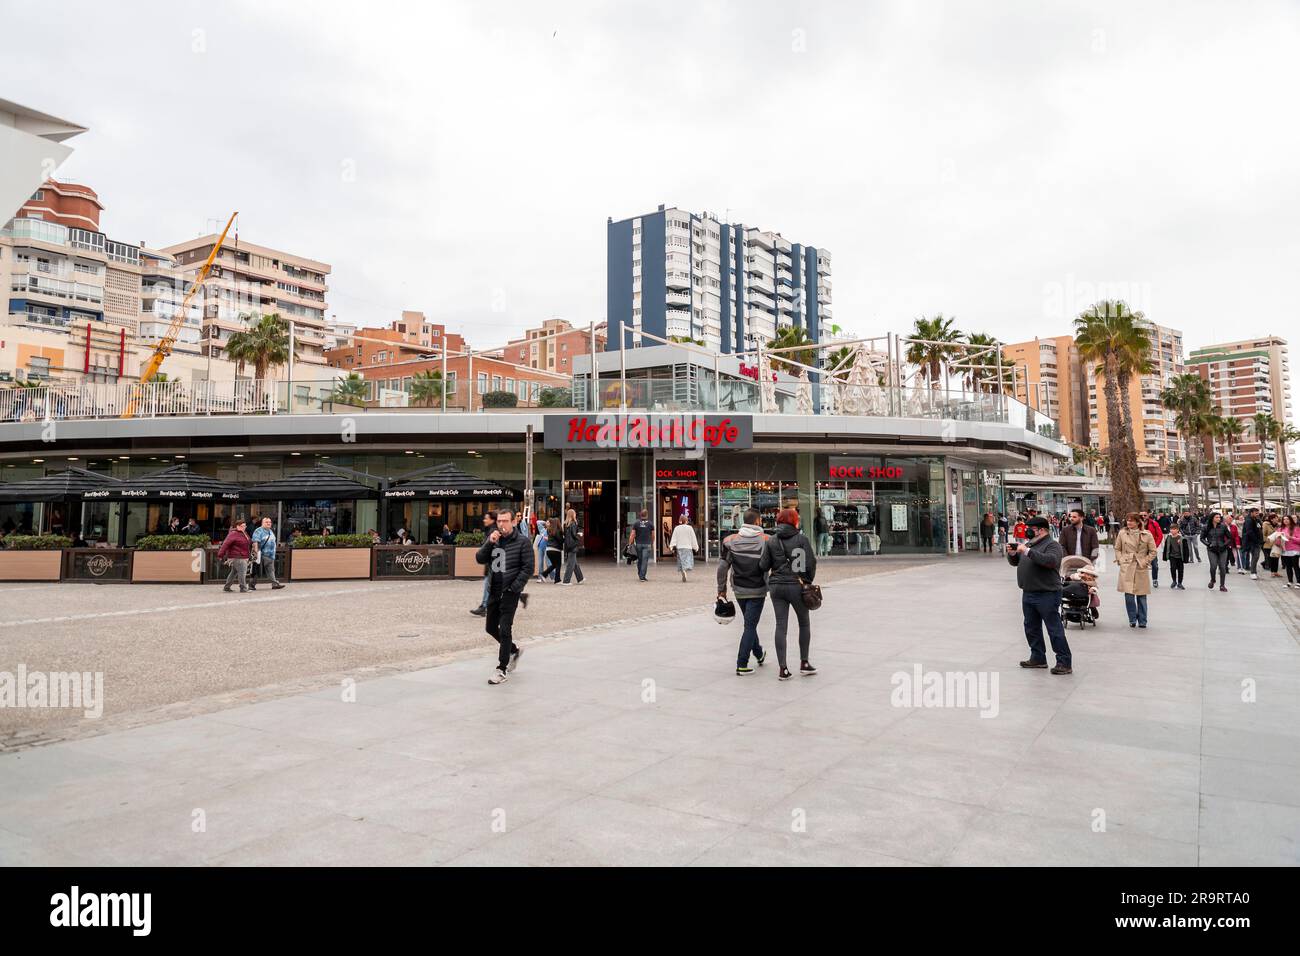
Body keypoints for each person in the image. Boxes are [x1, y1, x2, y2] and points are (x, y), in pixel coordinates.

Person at [475, 509, 534, 684]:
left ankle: (501, 668)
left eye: (505, 521)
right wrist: (488, 542)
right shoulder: (494, 540)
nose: (501, 524)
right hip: (494, 590)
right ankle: (514, 650)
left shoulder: (523, 542)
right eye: (499, 521)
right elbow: (479, 558)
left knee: (505, 628)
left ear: (513, 522)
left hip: (510, 592)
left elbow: (528, 568)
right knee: (491, 628)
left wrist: (515, 588)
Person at [1007, 515, 1071, 675]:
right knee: (1031, 627)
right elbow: (1017, 562)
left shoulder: (1052, 545)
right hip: (1028, 592)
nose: (1027, 531)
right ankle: (1038, 657)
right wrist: (1013, 554)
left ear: (1041, 530)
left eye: (1031, 529)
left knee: (1053, 628)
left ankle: (1064, 662)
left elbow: (1051, 561)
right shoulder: (1029, 544)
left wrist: (1027, 551)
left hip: (1047, 593)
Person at [760, 507, 818, 680]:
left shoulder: (771, 540)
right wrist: (807, 581)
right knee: (804, 624)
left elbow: (763, 566)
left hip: (777, 586)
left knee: (781, 626)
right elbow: (811, 563)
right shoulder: (802, 539)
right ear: (795, 521)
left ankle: (783, 669)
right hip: (797, 586)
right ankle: (804, 663)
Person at [716, 507, 769, 676]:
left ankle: (759, 654)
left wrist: (721, 590)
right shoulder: (767, 540)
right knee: (750, 625)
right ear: (757, 521)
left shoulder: (729, 541)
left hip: (739, 589)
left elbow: (722, 568)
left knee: (749, 623)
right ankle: (742, 663)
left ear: (742, 521)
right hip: (758, 589)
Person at [1115, 512, 1156, 627]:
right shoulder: (1122, 533)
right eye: (1127, 520)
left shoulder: (1147, 535)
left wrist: (1145, 561)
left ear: (1138, 522)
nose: (1129, 522)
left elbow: (1153, 551)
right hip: (1127, 566)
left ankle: (1143, 620)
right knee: (1128, 596)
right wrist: (1121, 560)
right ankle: (1132, 619)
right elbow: (1117, 548)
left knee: (1141, 596)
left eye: (1132, 520)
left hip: (1140, 566)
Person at [470, 511, 497, 616]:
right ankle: (485, 606)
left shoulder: (493, 531)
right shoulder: (490, 530)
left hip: (493, 564)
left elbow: (488, 548)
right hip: (491, 563)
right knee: (491, 585)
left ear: (492, 520)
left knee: (489, 585)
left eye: (486, 518)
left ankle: (484, 606)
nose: (484, 520)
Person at [217, 517, 252, 594]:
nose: (244, 527)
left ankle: (227, 587)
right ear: (237, 526)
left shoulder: (243, 533)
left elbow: (248, 543)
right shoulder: (233, 534)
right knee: (242, 572)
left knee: (234, 572)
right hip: (238, 556)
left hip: (242, 555)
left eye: (245, 526)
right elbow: (225, 544)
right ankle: (243, 588)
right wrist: (220, 555)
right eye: (242, 526)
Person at [249, 516, 285, 591]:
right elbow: (255, 542)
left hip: (270, 555)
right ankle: (251, 585)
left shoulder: (270, 531)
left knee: (271, 570)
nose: (269, 523)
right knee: (256, 570)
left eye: (269, 522)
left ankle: (275, 584)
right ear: (262, 523)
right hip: (261, 554)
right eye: (266, 522)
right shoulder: (258, 531)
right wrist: (256, 554)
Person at [1201, 512, 1232, 591]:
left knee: (1222, 567)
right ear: (1212, 518)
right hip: (1212, 549)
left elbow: (1229, 538)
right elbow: (1202, 538)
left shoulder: (1223, 526)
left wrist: (1224, 545)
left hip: (1222, 549)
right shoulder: (1206, 527)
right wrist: (1208, 544)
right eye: (1216, 517)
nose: (1219, 519)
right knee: (1213, 566)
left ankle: (1222, 585)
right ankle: (1213, 580)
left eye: (1219, 517)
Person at [669, 514, 699, 583]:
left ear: (680, 521)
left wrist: (671, 546)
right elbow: (693, 538)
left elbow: (674, 538)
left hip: (680, 547)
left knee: (681, 561)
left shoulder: (677, 528)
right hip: (688, 547)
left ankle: (683, 571)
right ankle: (685, 571)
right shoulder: (690, 528)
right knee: (687, 561)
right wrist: (695, 547)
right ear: (686, 521)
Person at [1161, 523, 1190, 590]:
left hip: (1180, 557)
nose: (1172, 531)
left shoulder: (1182, 538)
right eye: (1171, 529)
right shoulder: (1169, 538)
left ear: (1177, 530)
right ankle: (1174, 581)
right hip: (1172, 556)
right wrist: (1165, 556)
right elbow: (1166, 547)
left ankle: (1180, 583)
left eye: (1174, 529)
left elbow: (1186, 549)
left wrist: (1186, 559)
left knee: (1180, 570)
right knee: (1173, 568)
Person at [628, 509, 654, 582]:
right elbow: (653, 535)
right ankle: (642, 576)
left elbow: (632, 534)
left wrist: (630, 544)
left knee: (640, 560)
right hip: (647, 544)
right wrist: (652, 543)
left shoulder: (636, 523)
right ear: (647, 515)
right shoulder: (650, 524)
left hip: (638, 544)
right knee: (644, 561)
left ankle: (640, 574)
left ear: (640, 515)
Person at [560, 508, 585, 585]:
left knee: (574, 563)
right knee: (571, 564)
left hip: (568, 545)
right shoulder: (573, 523)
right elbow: (574, 534)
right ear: (572, 515)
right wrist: (579, 535)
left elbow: (565, 535)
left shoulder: (565, 524)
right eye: (574, 513)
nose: (575, 515)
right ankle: (566, 581)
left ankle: (580, 578)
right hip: (573, 545)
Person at [1239, 508, 1263, 580]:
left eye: (1258, 513)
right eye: (1256, 513)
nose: (1257, 514)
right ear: (1251, 513)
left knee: (1255, 557)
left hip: (1257, 541)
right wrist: (1256, 540)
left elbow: (1259, 528)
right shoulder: (1249, 520)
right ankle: (1253, 572)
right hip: (1252, 542)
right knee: (1255, 557)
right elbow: (1249, 532)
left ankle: (1253, 572)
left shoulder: (1256, 520)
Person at [1277, 515, 1300, 589]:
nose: (1285, 520)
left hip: (1294, 549)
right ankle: (1290, 581)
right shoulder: (1280, 529)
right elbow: (1277, 541)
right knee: (1288, 566)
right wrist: (1278, 539)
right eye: (1284, 519)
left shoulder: (1296, 528)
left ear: (1290, 520)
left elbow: (1299, 540)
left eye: (1287, 519)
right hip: (1285, 550)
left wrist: (1291, 537)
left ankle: (1298, 582)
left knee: (1295, 566)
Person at [545, 517, 563, 584]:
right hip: (555, 549)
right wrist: (564, 539)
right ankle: (557, 580)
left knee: (554, 564)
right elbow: (560, 540)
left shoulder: (549, 530)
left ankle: (544, 574)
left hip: (548, 549)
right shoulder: (557, 531)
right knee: (558, 564)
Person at [534, 517, 549, 582]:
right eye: (547, 522)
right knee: (540, 562)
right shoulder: (542, 529)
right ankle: (540, 577)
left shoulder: (551, 530)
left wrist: (548, 539)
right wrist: (545, 522)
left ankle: (553, 576)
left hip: (547, 548)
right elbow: (538, 522)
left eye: (549, 522)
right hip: (540, 547)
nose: (548, 523)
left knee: (548, 563)